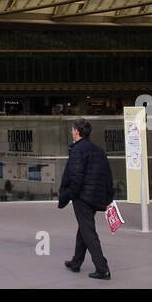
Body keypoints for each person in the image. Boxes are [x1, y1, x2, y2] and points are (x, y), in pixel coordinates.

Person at [58, 117, 114, 281]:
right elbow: (107, 175)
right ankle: (76, 262)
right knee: (84, 228)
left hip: (82, 197)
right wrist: (109, 196)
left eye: (72, 129)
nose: (71, 132)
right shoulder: (98, 150)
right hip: (95, 196)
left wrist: (70, 195)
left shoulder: (77, 150)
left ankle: (102, 268)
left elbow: (76, 177)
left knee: (88, 231)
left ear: (77, 131)